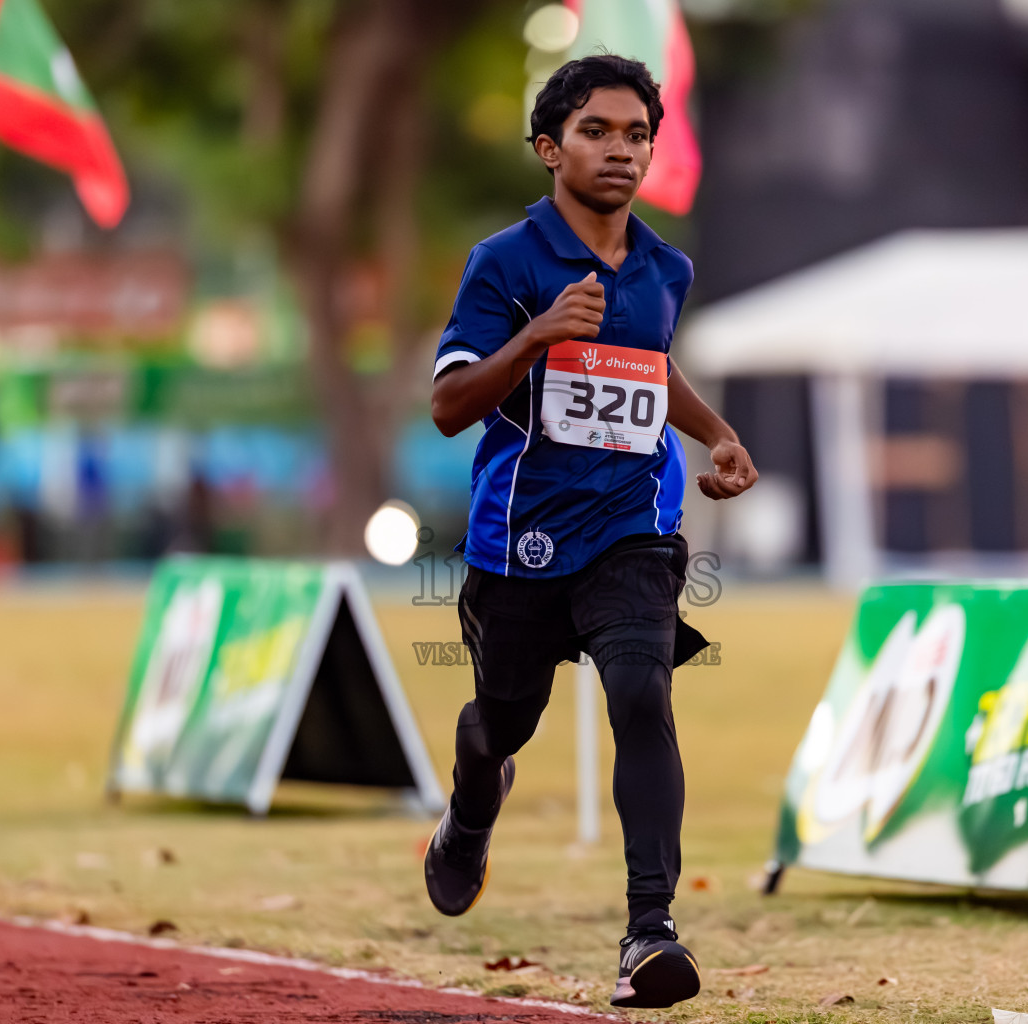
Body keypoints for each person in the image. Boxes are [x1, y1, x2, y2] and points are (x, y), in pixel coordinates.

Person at [424, 54, 758, 1010]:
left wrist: (720, 435)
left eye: (637, 134)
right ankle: (469, 812)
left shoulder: (666, 268)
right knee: (500, 725)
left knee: (642, 697)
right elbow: (449, 406)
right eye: (597, 132)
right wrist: (533, 338)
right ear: (549, 147)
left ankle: (649, 930)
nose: (622, 150)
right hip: (521, 539)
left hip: (632, 529)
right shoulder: (505, 264)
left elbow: (651, 364)